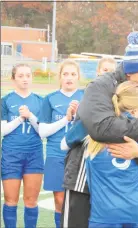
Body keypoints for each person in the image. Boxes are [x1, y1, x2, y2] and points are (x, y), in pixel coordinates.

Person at [61, 31, 138, 228]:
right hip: (85, 181)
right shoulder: (100, 86)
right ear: (130, 72)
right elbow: (101, 128)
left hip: (124, 186)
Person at [38, 59, 84, 228]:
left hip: (80, 154)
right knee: (59, 199)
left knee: (81, 200)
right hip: (55, 154)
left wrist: (79, 115)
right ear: (60, 77)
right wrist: (66, 119)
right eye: (65, 74)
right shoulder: (50, 99)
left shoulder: (85, 96)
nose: (69, 77)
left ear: (78, 76)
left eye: (73, 74)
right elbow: (42, 132)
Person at [1, 64, 43, 228]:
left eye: (28, 75)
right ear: (13, 79)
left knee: (31, 201)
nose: (25, 79)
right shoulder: (5, 101)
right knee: (10, 200)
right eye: (20, 76)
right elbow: (3, 130)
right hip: (11, 155)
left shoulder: (40, 101)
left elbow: (43, 131)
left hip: (34, 155)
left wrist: (30, 116)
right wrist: (19, 119)